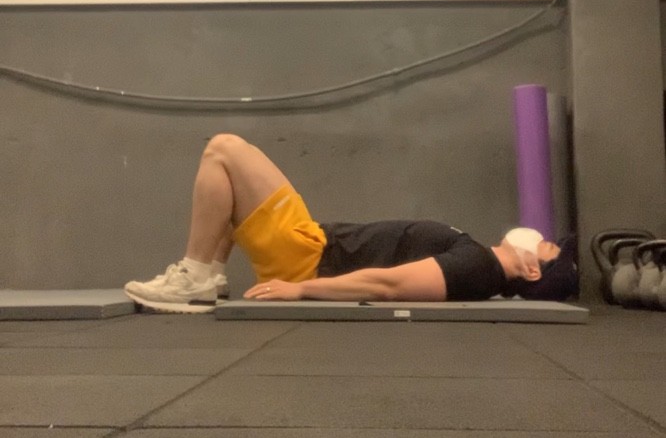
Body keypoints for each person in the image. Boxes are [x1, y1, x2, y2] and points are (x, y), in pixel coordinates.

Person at [124, 134, 578, 313]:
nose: (542, 238)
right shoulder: (478, 260)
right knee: (233, 177)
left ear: (531, 270)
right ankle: (208, 278)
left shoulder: (477, 268)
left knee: (222, 150)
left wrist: (301, 290)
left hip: (307, 258)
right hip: (310, 243)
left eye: (547, 248)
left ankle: (195, 276)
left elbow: (388, 286)